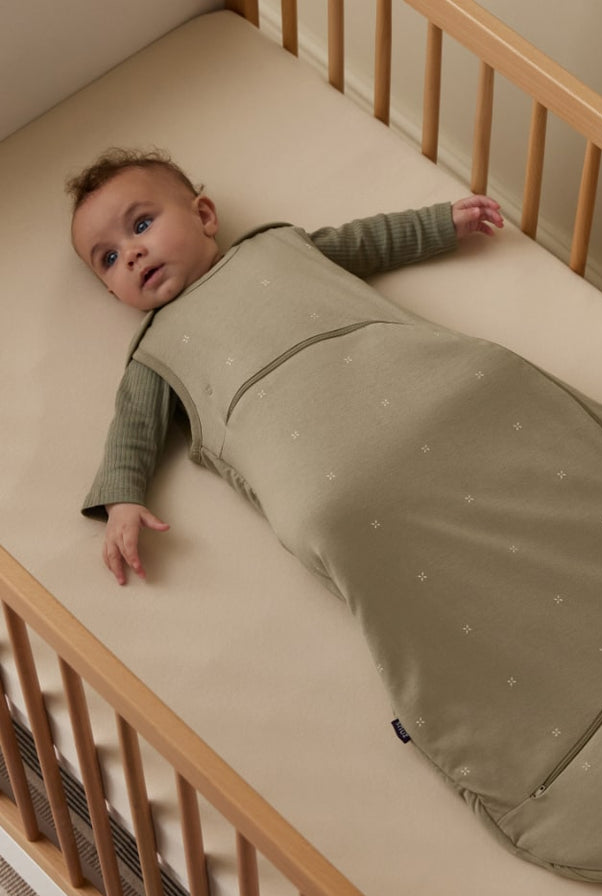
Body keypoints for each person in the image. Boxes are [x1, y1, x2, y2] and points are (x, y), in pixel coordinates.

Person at [69, 148, 503, 585]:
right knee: (323, 515)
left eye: (141, 225)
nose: (131, 254)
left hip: (385, 378)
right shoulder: (155, 351)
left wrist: (441, 223)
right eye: (109, 259)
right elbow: (132, 428)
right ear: (112, 292)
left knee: (478, 377)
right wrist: (122, 502)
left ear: (204, 216)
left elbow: (366, 242)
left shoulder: (278, 247)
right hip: (312, 461)